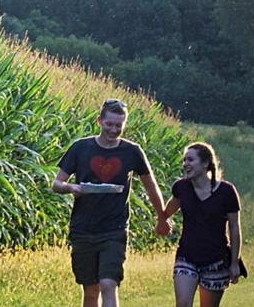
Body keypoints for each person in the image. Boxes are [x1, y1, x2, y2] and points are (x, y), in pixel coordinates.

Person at [52, 98, 167, 307]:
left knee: (108, 283)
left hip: (114, 228)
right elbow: (57, 184)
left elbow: (151, 186)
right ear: (99, 121)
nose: (114, 130)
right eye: (109, 124)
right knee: (90, 290)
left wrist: (162, 216)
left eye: (118, 125)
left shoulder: (132, 151)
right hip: (83, 229)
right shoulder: (80, 148)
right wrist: (71, 188)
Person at [156, 142, 244, 307]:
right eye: (184, 160)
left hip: (216, 259)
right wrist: (162, 222)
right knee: (182, 304)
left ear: (205, 163)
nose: (185, 164)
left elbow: (234, 228)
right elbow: (167, 212)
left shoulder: (226, 192)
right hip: (187, 256)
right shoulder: (181, 188)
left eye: (190, 160)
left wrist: (234, 263)